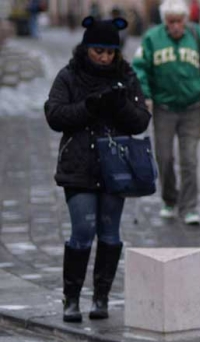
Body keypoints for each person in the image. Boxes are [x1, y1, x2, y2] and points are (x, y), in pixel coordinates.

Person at [44, 16, 151, 323]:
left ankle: (101, 298)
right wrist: (88, 107)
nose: (104, 58)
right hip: (79, 165)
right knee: (82, 231)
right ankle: (71, 299)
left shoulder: (126, 76)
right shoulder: (70, 75)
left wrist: (119, 106)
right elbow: (54, 114)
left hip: (116, 167)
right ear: (87, 48)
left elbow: (141, 120)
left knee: (109, 233)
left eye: (110, 52)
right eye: (98, 51)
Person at [132, 0, 200, 225]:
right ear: (165, 22)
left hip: (192, 108)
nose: (176, 26)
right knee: (165, 157)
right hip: (164, 108)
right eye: (171, 22)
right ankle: (169, 199)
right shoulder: (152, 38)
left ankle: (189, 207)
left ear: (185, 20)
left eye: (180, 21)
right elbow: (140, 67)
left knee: (189, 159)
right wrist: (147, 95)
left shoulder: (197, 36)